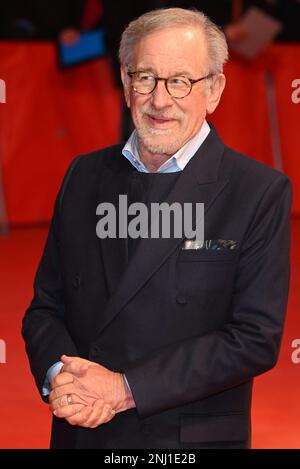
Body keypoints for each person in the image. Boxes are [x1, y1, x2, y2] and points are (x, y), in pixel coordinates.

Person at [22, 7, 292, 449]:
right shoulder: (83, 176)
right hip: (82, 431)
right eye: (145, 77)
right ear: (125, 83)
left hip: (186, 440)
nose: (160, 100)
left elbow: (253, 339)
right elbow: (45, 308)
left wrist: (124, 388)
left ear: (214, 90)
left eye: (180, 81)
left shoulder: (257, 192)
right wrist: (61, 377)